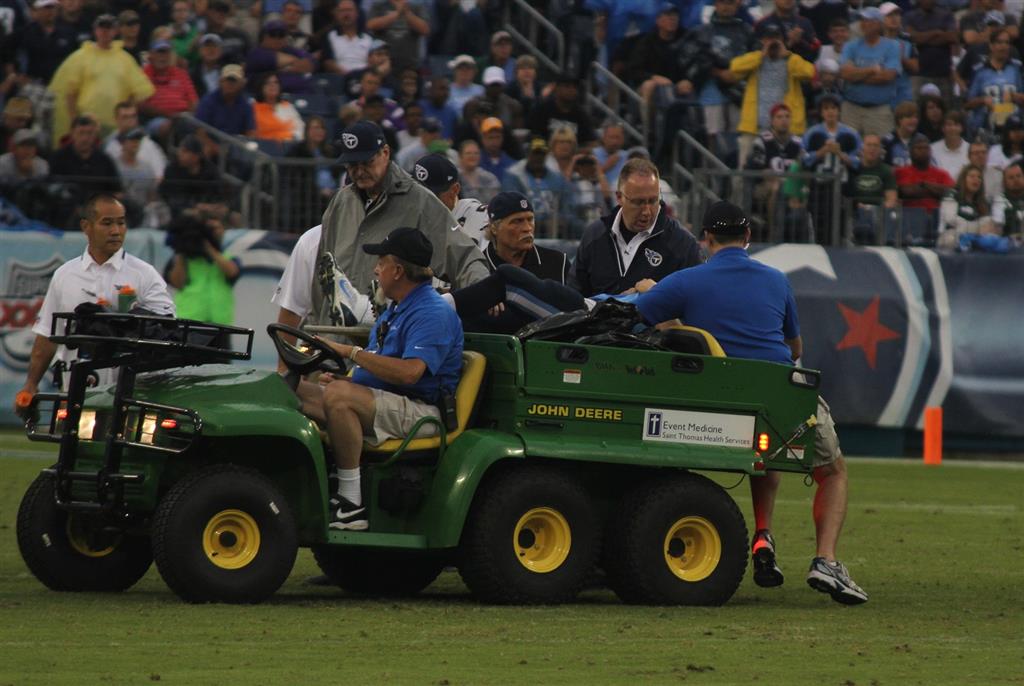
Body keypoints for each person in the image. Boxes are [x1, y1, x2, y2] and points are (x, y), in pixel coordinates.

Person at [633, 200, 867, 606]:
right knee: (831, 471)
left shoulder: (687, 280)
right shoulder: (777, 281)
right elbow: (795, 346)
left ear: (705, 239)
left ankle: (764, 534)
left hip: (714, 403)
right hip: (778, 397)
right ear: (748, 238)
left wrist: (649, 292)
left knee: (763, 450)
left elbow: (637, 316)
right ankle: (825, 559)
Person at [312, 227, 462, 530]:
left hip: (422, 410)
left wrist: (350, 353)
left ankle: (351, 503)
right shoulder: (395, 309)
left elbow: (410, 373)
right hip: (390, 400)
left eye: (380, 262)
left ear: (397, 270)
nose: (376, 269)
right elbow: (377, 363)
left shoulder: (432, 311)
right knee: (294, 389)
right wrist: (347, 377)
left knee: (339, 397)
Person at [311, 120, 489, 324]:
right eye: (352, 165)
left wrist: (484, 291)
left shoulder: (419, 200)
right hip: (333, 338)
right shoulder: (341, 202)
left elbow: (464, 257)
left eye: (367, 162)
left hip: (386, 342)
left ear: (385, 152)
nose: (359, 171)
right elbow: (322, 275)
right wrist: (315, 329)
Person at [14, 194, 174, 408]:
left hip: (129, 389)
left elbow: (166, 331)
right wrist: (31, 384)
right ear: (86, 226)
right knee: (73, 440)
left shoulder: (144, 274)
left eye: (121, 222)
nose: (116, 231)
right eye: (107, 223)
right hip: (75, 385)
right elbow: (47, 335)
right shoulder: (65, 274)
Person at [571, 157, 701, 297]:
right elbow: (573, 295)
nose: (646, 211)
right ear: (619, 197)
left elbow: (696, 302)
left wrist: (657, 294)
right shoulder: (595, 234)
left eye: (652, 201)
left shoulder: (683, 244)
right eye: (638, 202)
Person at [47, 13, 155, 147]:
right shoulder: (81, 56)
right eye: (102, 28)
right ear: (95, 30)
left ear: (115, 31)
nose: (105, 32)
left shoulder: (125, 59)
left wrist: (126, 118)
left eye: (109, 28)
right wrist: (75, 122)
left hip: (114, 126)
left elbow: (137, 91)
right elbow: (70, 93)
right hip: (87, 124)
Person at [731, 20, 815, 168]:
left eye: (776, 38)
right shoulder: (755, 59)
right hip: (755, 127)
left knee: (787, 170)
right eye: (769, 38)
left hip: (785, 130)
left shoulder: (791, 60)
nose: (773, 42)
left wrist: (787, 55)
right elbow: (735, 68)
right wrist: (761, 55)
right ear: (762, 40)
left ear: (782, 40)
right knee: (744, 169)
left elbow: (809, 72)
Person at [165, 212, 241, 324]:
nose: (212, 232)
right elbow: (177, 283)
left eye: (215, 228)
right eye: (208, 229)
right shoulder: (183, 258)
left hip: (220, 321)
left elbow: (232, 272)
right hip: (190, 318)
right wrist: (182, 250)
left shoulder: (228, 257)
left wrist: (209, 247)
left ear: (224, 230)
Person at [481, 191, 570, 283]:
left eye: (530, 219)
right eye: (517, 221)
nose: (527, 228)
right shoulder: (479, 266)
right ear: (494, 228)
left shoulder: (558, 263)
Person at [838, 7, 901, 137]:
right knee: (850, 148)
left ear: (879, 24)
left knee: (881, 149)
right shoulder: (850, 46)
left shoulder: (892, 46)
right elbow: (845, 74)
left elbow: (888, 76)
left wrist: (856, 76)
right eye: (863, 20)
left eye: (869, 20)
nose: (864, 24)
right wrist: (871, 70)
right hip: (851, 108)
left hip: (879, 110)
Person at [501, 137, 578, 238]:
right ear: (528, 154)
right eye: (535, 154)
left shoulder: (557, 177)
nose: (538, 158)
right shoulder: (515, 175)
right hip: (524, 222)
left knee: (577, 225)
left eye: (541, 154)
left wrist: (561, 218)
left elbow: (568, 204)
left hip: (554, 224)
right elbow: (511, 205)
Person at [49, 114, 122, 215]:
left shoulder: (105, 159)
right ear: (72, 133)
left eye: (89, 133)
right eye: (81, 133)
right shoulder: (59, 158)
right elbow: (53, 190)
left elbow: (117, 191)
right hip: (68, 214)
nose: (85, 138)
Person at [413, 153, 490, 249]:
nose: (423, 200)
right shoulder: (410, 214)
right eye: (418, 193)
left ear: (455, 190)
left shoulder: (476, 216)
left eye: (431, 196)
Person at [895, 133, 955, 243]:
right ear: (911, 151)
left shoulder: (942, 174)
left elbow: (949, 193)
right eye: (919, 148)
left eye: (926, 148)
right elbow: (905, 192)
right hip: (909, 221)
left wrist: (924, 184)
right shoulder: (900, 172)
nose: (923, 151)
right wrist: (933, 191)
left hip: (936, 221)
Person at [964, 28, 1024, 137]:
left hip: (1013, 129)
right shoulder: (979, 71)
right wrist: (982, 100)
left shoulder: (1016, 69)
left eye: (1007, 43)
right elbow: (967, 104)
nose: (1004, 46)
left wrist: (1014, 96)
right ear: (991, 46)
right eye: (999, 42)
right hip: (986, 127)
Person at [140, 39, 200, 142]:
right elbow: (140, 104)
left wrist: (190, 115)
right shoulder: (143, 75)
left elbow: (193, 101)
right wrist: (170, 115)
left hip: (184, 117)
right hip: (156, 119)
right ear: (151, 55)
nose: (162, 56)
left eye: (166, 52)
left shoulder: (181, 74)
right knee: (168, 126)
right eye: (159, 52)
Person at [846, 133, 899, 244]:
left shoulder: (886, 170)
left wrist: (874, 209)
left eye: (875, 146)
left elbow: (891, 199)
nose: (872, 149)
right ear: (862, 149)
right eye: (869, 145)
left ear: (880, 150)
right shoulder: (853, 168)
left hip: (878, 214)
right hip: (855, 212)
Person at [904, 0, 958, 101]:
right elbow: (912, 38)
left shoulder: (946, 15)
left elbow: (952, 37)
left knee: (945, 110)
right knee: (918, 110)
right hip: (918, 75)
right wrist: (936, 32)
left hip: (943, 74)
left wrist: (922, 37)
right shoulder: (910, 16)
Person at [245, 19, 314, 94]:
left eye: (281, 34)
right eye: (273, 34)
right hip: (266, 99)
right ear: (264, 36)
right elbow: (277, 59)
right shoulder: (255, 53)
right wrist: (294, 64)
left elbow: (310, 63)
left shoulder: (290, 50)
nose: (277, 38)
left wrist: (288, 67)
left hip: (300, 96)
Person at [104, 102, 168, 179]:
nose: (130, 120)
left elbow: (160, 175)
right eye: (125, 117)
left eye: (133, 116)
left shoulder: (149, 145)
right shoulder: (108, 145)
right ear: (116, 119)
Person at [366, 0, 430, 75]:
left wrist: (407, 13)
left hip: (410, 64)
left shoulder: (417, 5)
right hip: (383, 64)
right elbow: (370, 25)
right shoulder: (379, 5)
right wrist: (396, 14)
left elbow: (425, 30)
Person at [938, 164, 994, 248]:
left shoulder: (983, 202)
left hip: (973, 240)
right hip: (950, 237)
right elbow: (950, 218)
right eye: (972, 176)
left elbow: (986, 225)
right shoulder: (951, 194)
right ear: (963, 179)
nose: (976, 180)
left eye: (979, 177)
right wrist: (975, 227)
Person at [195, 64, 257, 138]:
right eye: (227, 80)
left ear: (241, 84)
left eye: (234, 81)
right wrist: (209, 145)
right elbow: (199, 128)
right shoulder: (208, 101)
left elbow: (251, 130)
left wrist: (248, 145)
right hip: (212, 141)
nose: (230, 84)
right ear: (220, 82)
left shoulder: (246, 104)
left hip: (236, 144)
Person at [881, 3, 918, 108]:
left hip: (903, 96)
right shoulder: (875, 40)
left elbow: (916, 68)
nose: (894, 18)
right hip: (881, 97)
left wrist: (901, 58)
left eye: (897, 15)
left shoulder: (907, 39)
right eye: (889, 15)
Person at [321, 0, 371, 75]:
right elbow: (328, 62)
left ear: (357, 13)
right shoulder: (329, 36)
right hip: (339, 79)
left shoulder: (368, 37)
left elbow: (374, 61)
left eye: (349, 10)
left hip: (365, 80)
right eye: (342, 11)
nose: (346, 14)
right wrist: (348, 76)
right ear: (337, 14)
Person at [253, 73, 304, 141]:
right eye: (267, 83)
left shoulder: (287, 106)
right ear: (261, 87)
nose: (272, 85)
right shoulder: (253, 109)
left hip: (290, 145)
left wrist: (293, 138)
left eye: (276, 82)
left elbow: (300, 128)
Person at [457, 139, 500, 204]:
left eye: (476, 153)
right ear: (460, 156)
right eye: (468, 153)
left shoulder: (489, 177)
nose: (473, 156)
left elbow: (495, 201)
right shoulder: (455, 178)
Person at [931, 112, 970, 180]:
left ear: (962, 128)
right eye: (949, 125)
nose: (953, 128)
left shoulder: (970, 149)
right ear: (943, 128)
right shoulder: (932, 149)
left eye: (956, 125)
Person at [882, 101, 920, 168]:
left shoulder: (921, 140)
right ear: (900, 119)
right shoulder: (887, 142)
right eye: (909, 117)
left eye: (915, 117)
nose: (913, 120)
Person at [991, 160, 1024, 237]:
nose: (1016, 180)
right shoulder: (999, 199)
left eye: (1019, 176)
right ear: (1004, 182)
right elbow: (998, 222)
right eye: (1011, 178)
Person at [190, 34, 227, 98]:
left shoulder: (227, 72)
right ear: (200, 51)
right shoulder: (192, 75)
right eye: (207, 46)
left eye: (215, 46)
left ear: (221, 51)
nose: (211, 49)